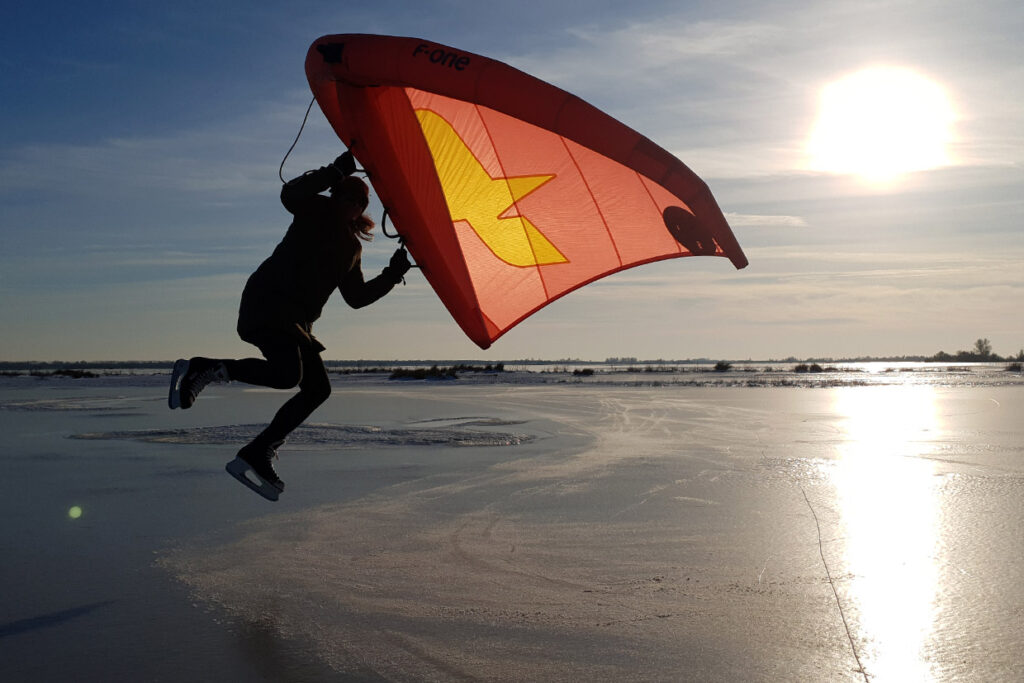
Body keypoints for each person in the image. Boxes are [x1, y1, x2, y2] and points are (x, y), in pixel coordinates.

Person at [168, 152, 410, 497]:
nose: (352, 205)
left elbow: (356, 297)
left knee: (318, 389)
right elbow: (290, 195)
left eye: (359, 201)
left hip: (297, 323)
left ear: (362, 208)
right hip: (268, 302)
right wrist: (334, 171)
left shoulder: (352, 248)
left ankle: (258, 451)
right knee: (287, 376)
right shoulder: (314, 210)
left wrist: (392, 273)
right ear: (335, 196)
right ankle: (203, 369)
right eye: (346, 196)